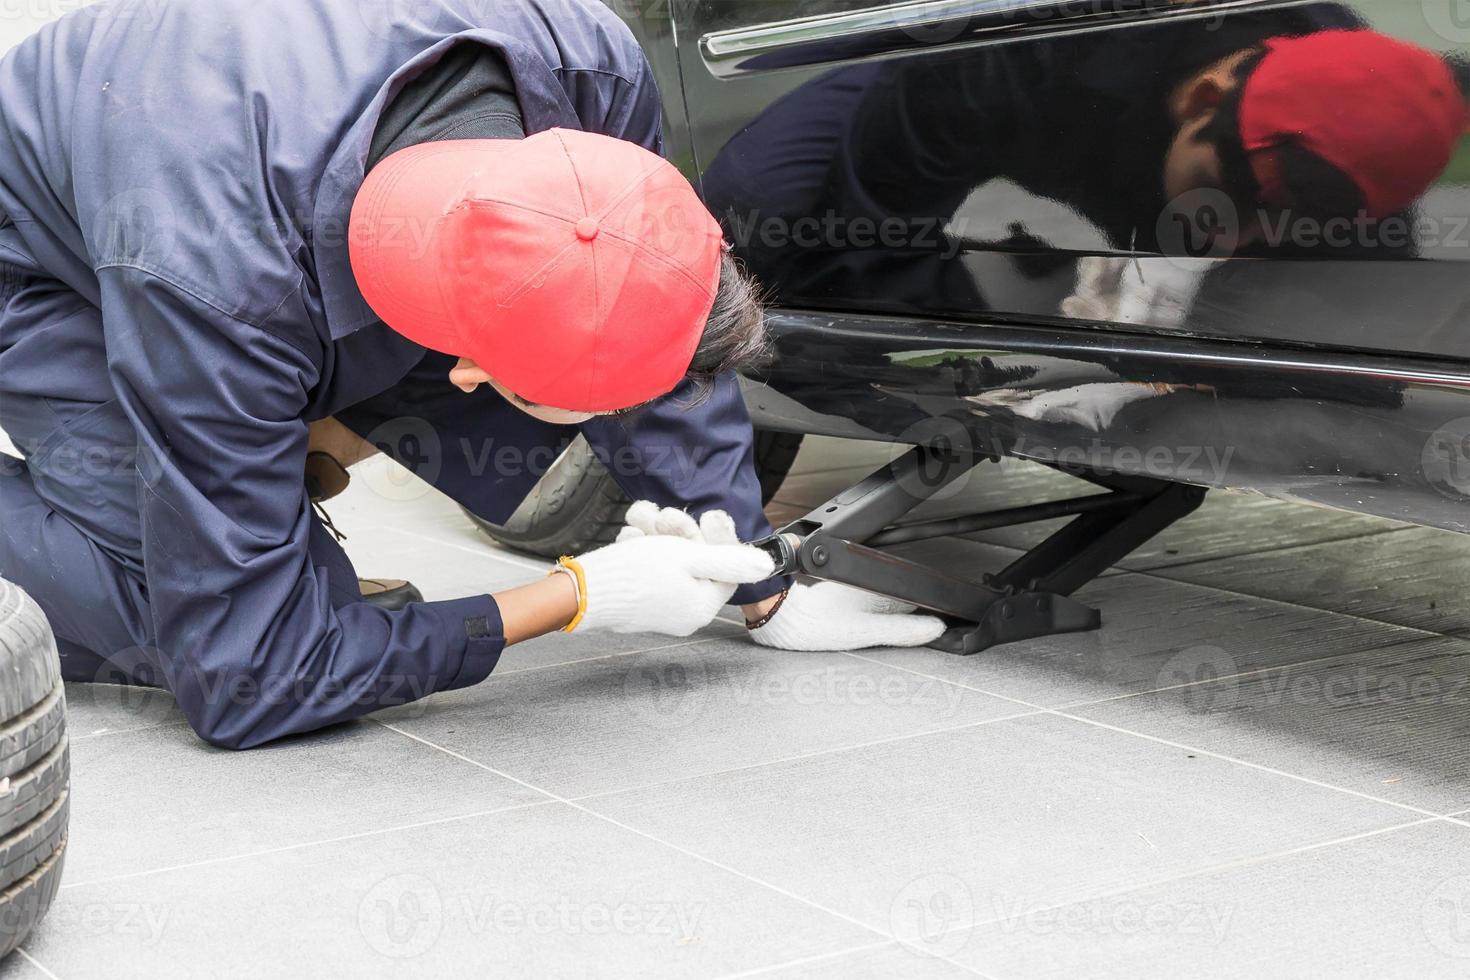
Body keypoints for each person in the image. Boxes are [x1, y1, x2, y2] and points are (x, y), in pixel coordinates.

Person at [0, 0, 942, 751]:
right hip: (43, 255)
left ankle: (280, 459)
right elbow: (250, 685)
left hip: (222, 170)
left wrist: (758, 576)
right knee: (264, 632)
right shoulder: (221, 288)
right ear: (463, 370)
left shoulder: (588, 65)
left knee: (315, 605)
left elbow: (640, 300)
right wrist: (579, 597)